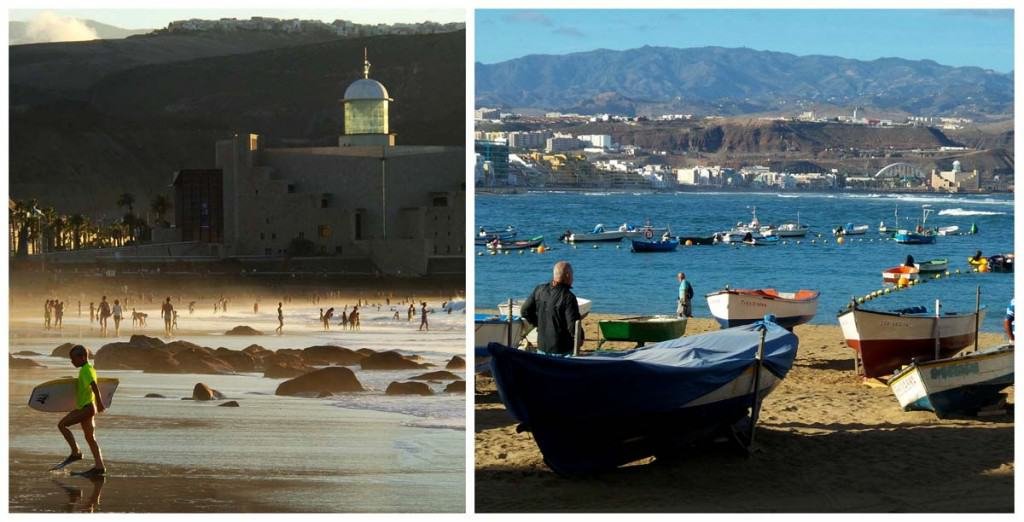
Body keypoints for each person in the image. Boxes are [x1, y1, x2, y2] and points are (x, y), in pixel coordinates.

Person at [54, 345, 106, 477]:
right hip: (88, 407)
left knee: (62, 425)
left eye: (73, 359)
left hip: (86, 408)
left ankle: (76, 452)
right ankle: (100, 467)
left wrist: (100, 404)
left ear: (82, 357)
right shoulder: (89, 369)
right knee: (90, 438)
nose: (72, 361)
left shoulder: (86, 370)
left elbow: (94, 387)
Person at [521, 261, 583, 355]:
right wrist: (581, 338)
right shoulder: (568, 297)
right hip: (561, 349)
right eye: (572, 274)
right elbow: (573, 325)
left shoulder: (540, 289)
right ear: (567, 275)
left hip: (542, 346)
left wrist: (538, 323)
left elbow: (525, 311)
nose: (573, 278)